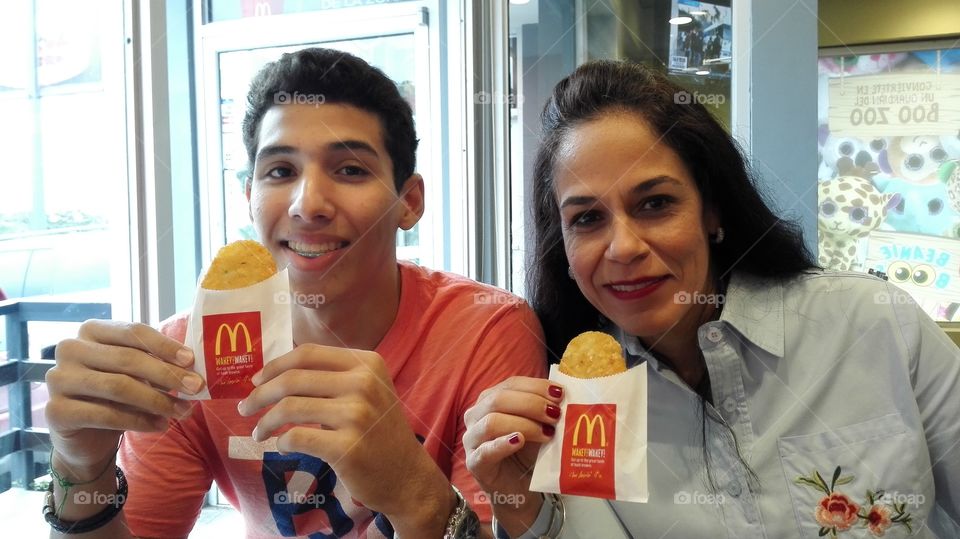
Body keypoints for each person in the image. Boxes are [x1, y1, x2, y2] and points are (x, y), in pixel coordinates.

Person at [44, 47, 546, 538]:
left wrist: (415, 493)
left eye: (350, 169)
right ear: (250, 198)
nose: (308, 205)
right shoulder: (187, 358)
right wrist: (80, 471)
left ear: (408, 202)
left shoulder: (482, 330)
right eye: (280, 171)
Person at [463, 60, 960, 538]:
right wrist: (528, 511)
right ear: (564, 252)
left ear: (712, 211)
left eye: (655, 203)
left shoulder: (876, 326)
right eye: (587, 219)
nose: (625, 247)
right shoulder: (573, 405)